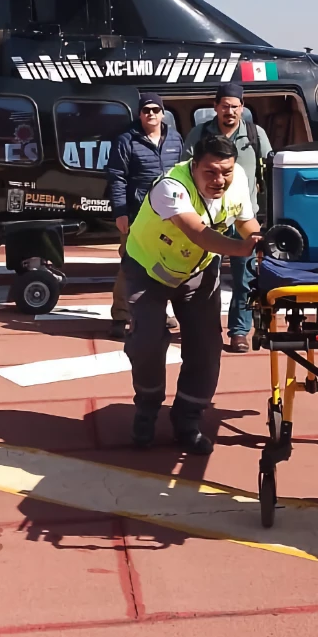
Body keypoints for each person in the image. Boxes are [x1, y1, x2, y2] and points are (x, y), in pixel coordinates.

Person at [122, 133, 261, 454]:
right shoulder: (170, 187)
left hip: (198, 271)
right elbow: (198, 232)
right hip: (148, 268)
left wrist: (260, 241)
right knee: (147, 340)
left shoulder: (238, 178)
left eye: (226, 172)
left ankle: (187, 420)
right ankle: (147, 410)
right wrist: (243, 249)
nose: (219, 180)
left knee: (206, 346)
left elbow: (246, 221)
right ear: (193, 166)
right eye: (210, 172)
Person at [184, 83, 270, 353]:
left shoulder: (255, 134)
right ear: (216, 107)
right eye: (225, 106)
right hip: (208, 218)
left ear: (242, 108)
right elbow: (185, 169)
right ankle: (207, 329)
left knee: (246, 278)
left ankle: (239, 332)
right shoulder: (200, 134)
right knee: (205, 277)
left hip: (244, 216)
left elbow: (269, 171)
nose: (230, 111)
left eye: (235, 106)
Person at [104, 93, 185, 340]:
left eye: (155, 110)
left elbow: (182, 174)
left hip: (169, 214)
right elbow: (117, 177)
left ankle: (160, 311)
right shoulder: (126, 140)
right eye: (146, 110)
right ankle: (120, 316)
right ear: (139, 114)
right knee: (130, 265)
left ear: (162, 113)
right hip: (137, 213)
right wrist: (120, 212)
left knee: (166, 263)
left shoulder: (175, 138)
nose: (151, 114)